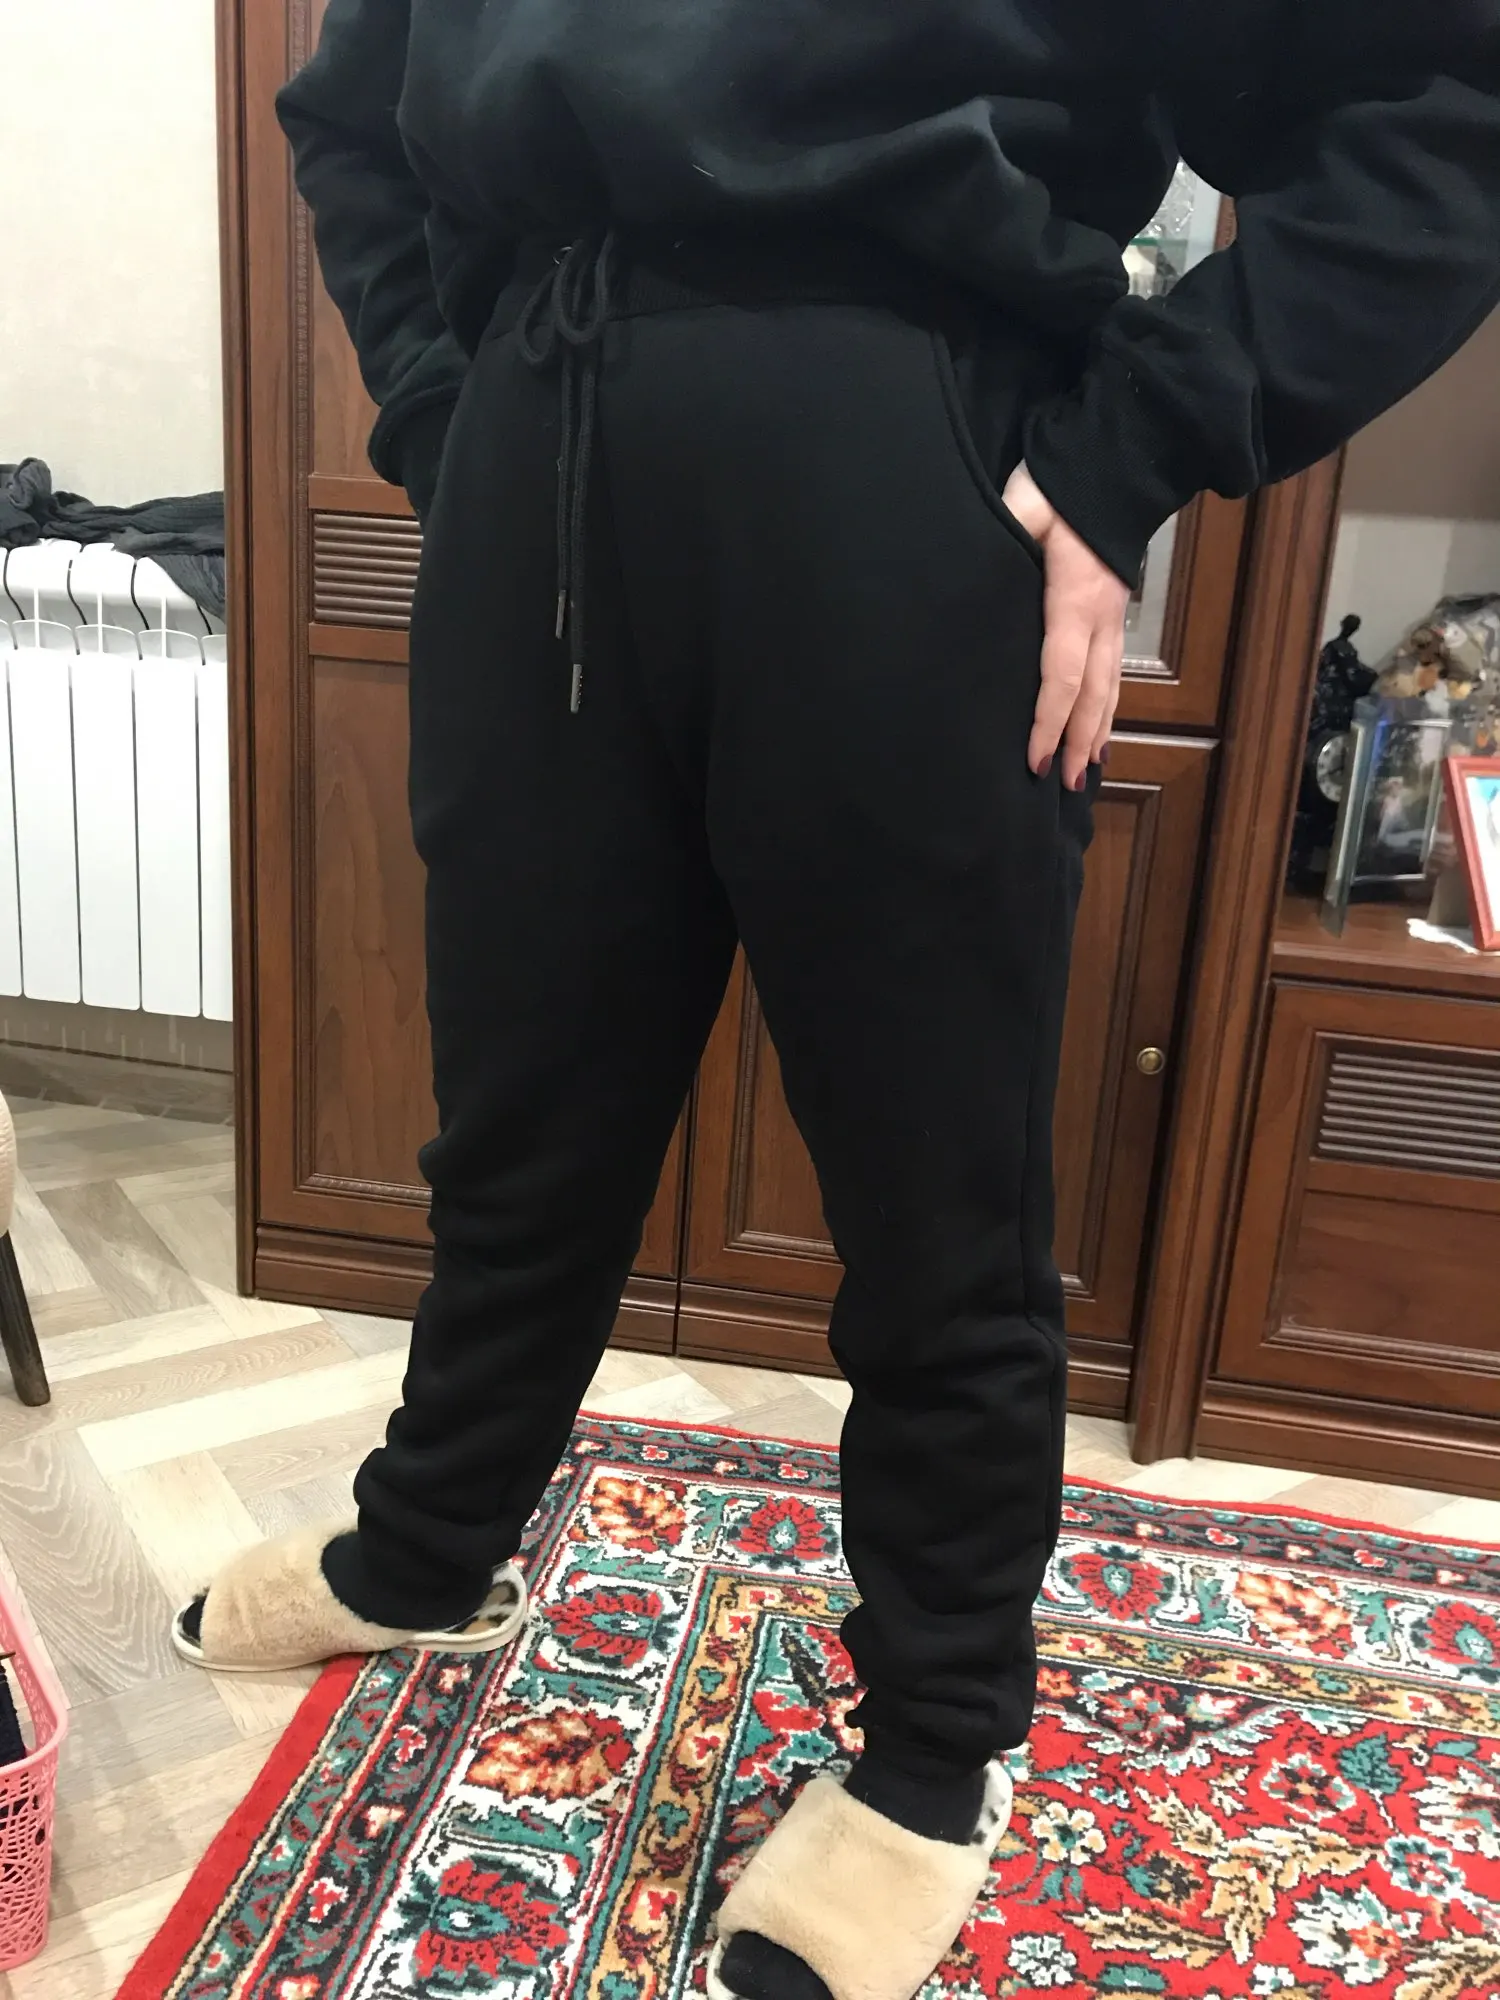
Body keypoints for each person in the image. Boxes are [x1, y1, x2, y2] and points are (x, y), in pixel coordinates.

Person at [179, 3, 1500, 1995]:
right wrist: (454, 413)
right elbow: (350, 112)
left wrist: (1131, 447)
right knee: (517, 1123)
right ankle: (425, 1542)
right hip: (542, 452)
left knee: (934, 1187)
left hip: (911, 467)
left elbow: (1443, 102)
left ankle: (933, 1753)